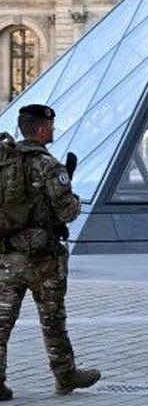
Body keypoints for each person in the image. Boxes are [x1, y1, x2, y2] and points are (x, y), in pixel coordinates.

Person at [0, 105, 100, 401]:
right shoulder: (49, 166)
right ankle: (65, 374)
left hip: (7, 256)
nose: (53, 130)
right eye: (51, 125)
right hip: (43, 259)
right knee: (53, 318)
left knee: (2, 321)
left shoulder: (4, 161)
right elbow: (67, 212)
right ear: (42, 129)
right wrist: (76, 198)